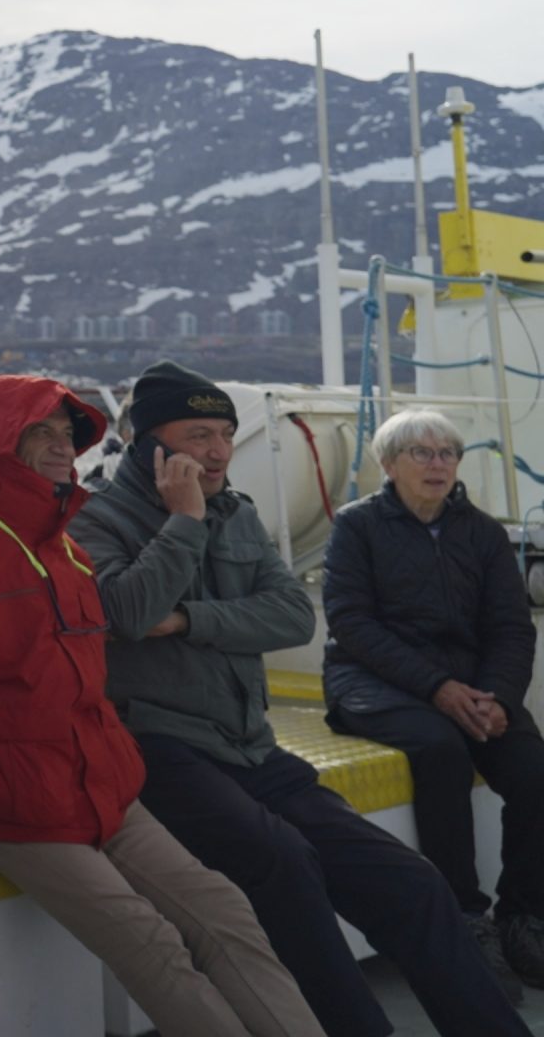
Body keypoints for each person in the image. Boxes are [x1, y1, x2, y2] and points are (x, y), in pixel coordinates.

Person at [74, 365, 528, 1036]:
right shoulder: (95, 521)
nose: (220, 450)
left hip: (249, 745)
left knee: (413, 884)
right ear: (147, 445)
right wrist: (184, 523)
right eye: (199, 434)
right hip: (158, 746)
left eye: (227, 433)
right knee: (285, 865)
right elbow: (131, 612)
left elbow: (292, 617)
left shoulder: (240, 512)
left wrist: (190, 620)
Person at [0, 375, 323, 1037]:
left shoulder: (67, 549)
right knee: (151, 942)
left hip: (102, 786)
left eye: (68, 434)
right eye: (42, 434)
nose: (63, 449)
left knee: (226, 913)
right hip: (3, 804)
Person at [326, 407, 544, 991]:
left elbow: (511, 627)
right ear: (389, 465)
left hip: (472, 682)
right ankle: (463, 919)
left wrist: (498, 697)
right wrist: (437, 688)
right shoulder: (357, 526)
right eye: (421, 453)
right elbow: (352, 624)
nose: (437, 464)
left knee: (533, 765)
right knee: (441, 750)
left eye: (447, 453)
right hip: (374, 680)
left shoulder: (482, 532)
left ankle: (524, 914)